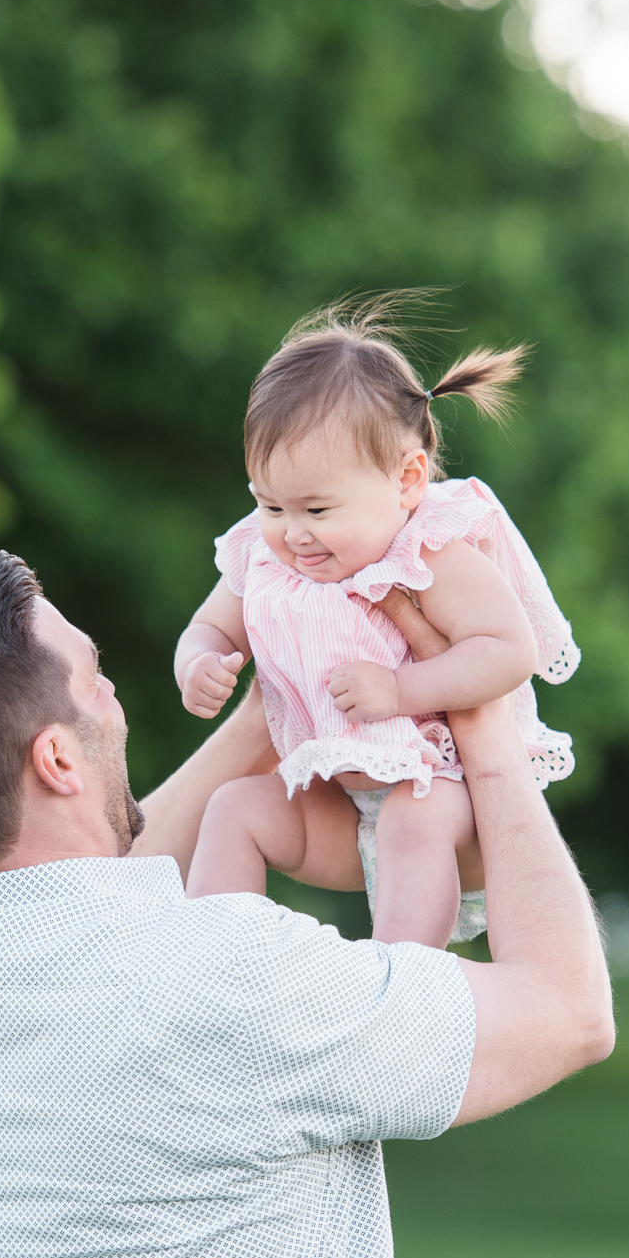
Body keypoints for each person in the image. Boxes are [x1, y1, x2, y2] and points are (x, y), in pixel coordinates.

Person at [0, 548, 611, 1258]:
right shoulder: (240, 982)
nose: (115, 698)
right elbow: (568, 1011)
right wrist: (484, 727)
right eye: (97, 679)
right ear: (56, 760)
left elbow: (63, 898)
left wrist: (276, 703)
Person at [177, 299, 579, 947]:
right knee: (234, 806)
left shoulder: (431, 553)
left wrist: (400, 691)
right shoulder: (263, 552)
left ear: (408, 480)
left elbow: (507, 650)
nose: (293, 532)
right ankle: (218, 965)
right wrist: (198, 663)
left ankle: (399, 987)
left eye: (317, 507)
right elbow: (209, 627)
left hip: (447, 797)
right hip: (343, 808)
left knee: (410, 823)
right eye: (270, 502)